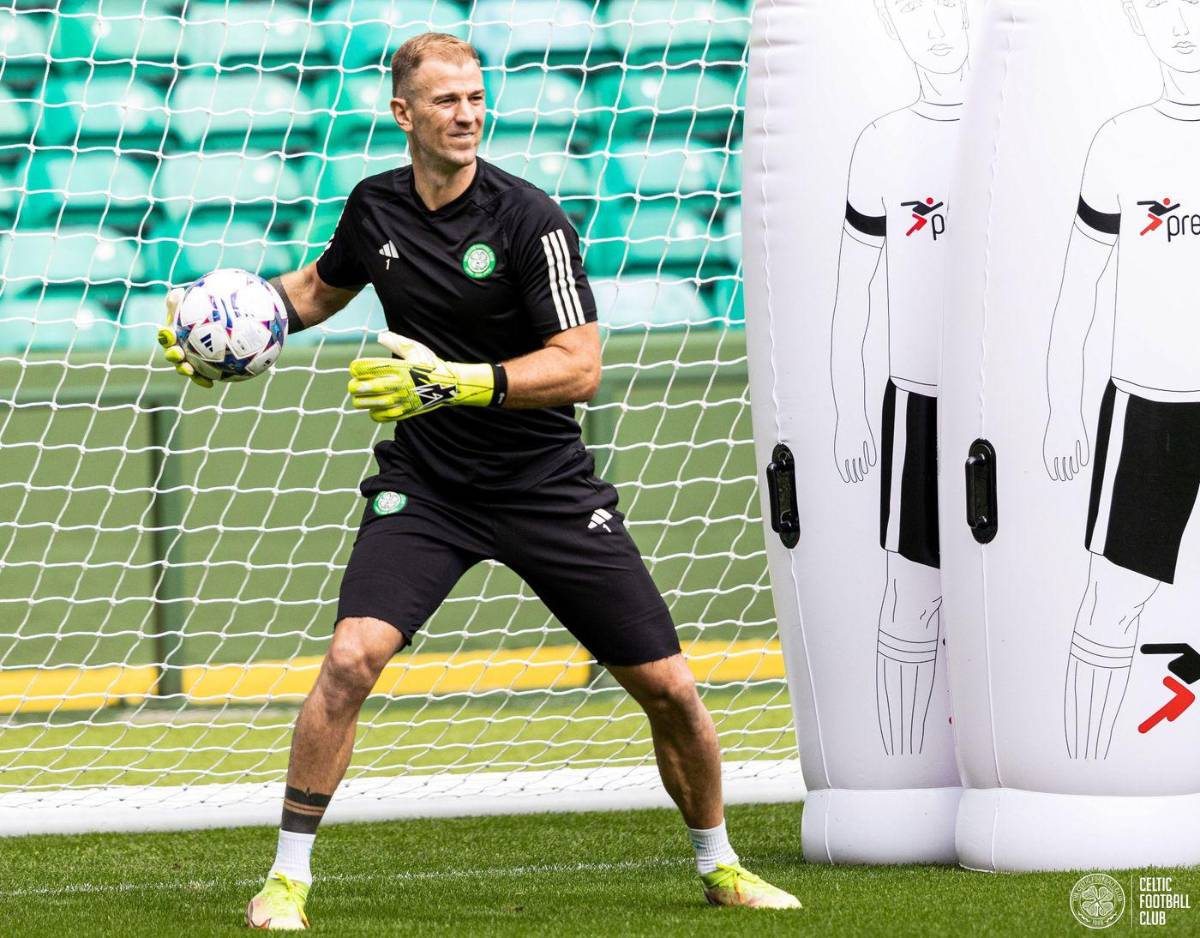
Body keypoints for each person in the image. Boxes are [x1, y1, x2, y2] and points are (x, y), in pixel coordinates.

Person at [158, 32, 800, 930]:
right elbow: (316, 288)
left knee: (670, 689)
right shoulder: (374, 208)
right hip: (427, 486)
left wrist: (460, 381)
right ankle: (288, 879)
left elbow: (580, 367)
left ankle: (720, 862)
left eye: (475, 99)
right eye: (447, 101)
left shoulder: (529, 220)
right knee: (349, 661)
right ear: (404, 114)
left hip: (544, 484)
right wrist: (219, 329)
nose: (467, 114)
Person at [1044, 0, 1200, 760]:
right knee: (1113, 600)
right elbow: (1078, 288)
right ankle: (1085, 771)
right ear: (1138, 20)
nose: (1184, 25)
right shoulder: (1122, 141)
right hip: (1150, 411)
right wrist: (1062, 409)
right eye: (1164, 9)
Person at [830, 0, 970, 756]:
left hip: (1000, 404)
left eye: (949, 10)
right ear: (893, 27)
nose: (939, 29)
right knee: (911, 594)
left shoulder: (1014, 136)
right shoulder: (881, 143)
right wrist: (852, 413)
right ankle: (902, 764)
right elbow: (852, 295)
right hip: (918, 403)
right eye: (918, 14)